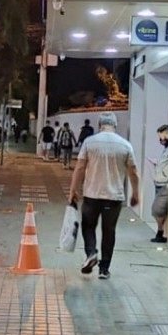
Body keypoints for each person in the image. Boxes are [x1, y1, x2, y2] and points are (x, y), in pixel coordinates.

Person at [68, 112, 140, 280]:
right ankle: (104, 269)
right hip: (114, 197)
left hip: (92, 195)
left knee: (88, 226)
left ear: (100, 124)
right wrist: (136, 192)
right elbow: (133, 171)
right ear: (114, 125)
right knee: (109, 231)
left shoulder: (89, 142)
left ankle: (91, 253)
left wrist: (73, 190)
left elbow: (79, 168)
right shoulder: (125, 145)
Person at [149, 125, 168, 243]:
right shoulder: (167, 149)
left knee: (157, 210)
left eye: (161, 136)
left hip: (165, 184)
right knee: (160, 211)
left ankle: (161, 232)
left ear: (167, 133)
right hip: (159, 182)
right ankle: (161, 232)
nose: (160, 140)